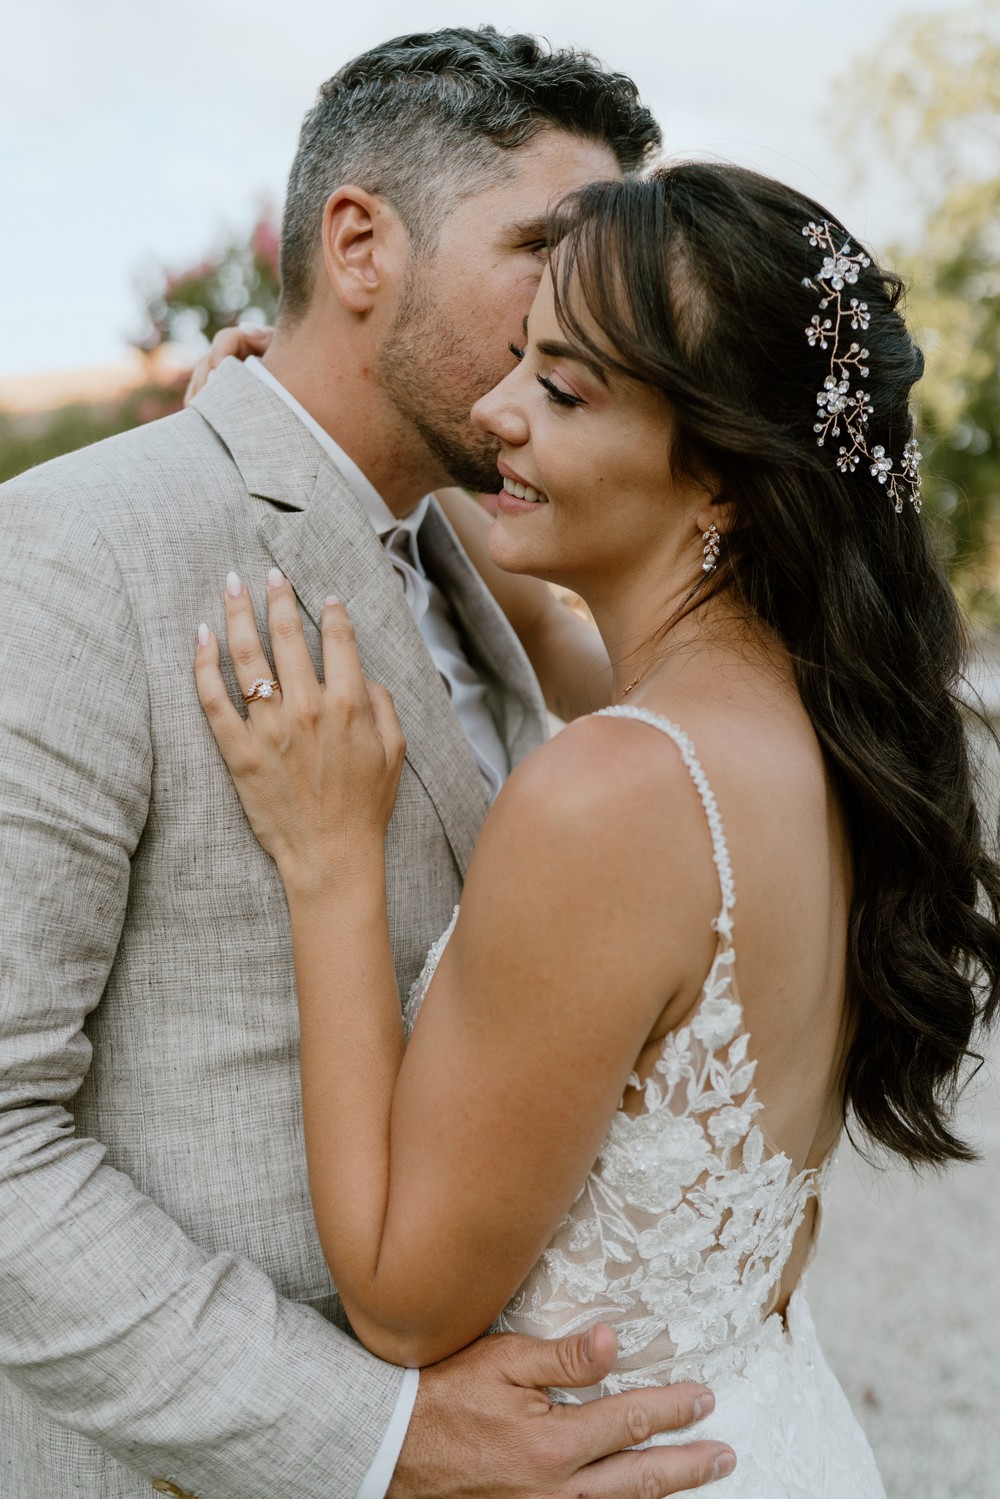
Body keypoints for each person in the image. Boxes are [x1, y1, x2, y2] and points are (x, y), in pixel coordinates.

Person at [0, 29, 735, 1499]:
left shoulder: (491, 562)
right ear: (356, 246)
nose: (590, 310)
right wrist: (375, 1439)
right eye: (548, 249)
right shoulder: (79, 553)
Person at [194, 162, 1000, 1498]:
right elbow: (573, 646)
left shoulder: (609, 798)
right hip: (772, 1434)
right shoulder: (830, 724)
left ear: (728, 482)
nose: (496, 412)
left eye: (563, 393)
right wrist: (325, 435)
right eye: (519, 359)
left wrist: (330, 861)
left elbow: (404, 1305)